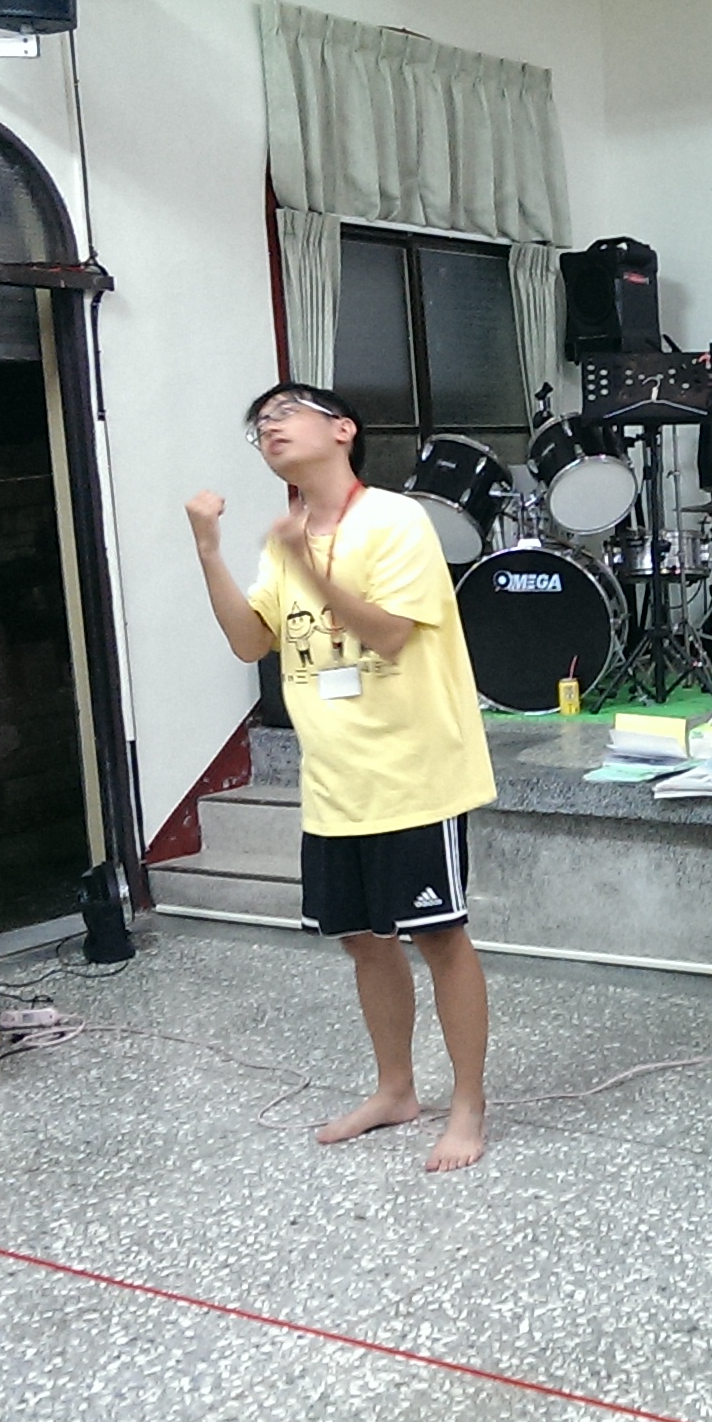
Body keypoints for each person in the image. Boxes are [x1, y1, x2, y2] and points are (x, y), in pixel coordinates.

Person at [185, 382, 498, 1173]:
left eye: (285, 413)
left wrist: (305, 564)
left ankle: (467, 1105)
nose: (269, 428)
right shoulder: (283, 541)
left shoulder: (395, 520)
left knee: (438, 935)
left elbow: (388, 635)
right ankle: (396, 1090)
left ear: (342, 430)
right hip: (334, 779)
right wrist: (209, 550)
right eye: (259, 424)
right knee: (362, 940)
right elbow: (250, 641)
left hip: (414, 770)